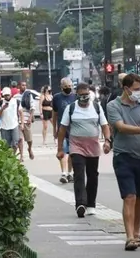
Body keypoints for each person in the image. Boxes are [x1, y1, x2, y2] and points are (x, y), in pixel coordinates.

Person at [106, 73, 140, 251]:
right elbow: (120, 127)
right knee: (129, 196)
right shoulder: (113, 106)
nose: (139, 92)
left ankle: (137, 232)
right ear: (126, 89)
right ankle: (129, 236)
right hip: (123, 157)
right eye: (136, 89)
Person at [58, 83, 111, 217]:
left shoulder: (96, 107)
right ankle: (80, 204)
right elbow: (63, 129)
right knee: (79, 174)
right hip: (76, 146)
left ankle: (91, 203)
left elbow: (104, 125)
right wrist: (60, 149)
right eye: (81, 95)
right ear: (77, 95)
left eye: (86, 95)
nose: (84, 97)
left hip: (93, 146)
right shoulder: (71, 108)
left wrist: (107, 141)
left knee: (93, 175)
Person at [52, 78, 77, 183]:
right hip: (62, 129)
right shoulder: (57, 98)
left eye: (70, 86)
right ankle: (63, 173)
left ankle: (70, 173)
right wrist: (54, 129)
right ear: (61, 87)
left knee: (72, 153)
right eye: (66, 87)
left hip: (74, 129)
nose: (68, 88)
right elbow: (54, 115)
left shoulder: (75, 97)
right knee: (62, 151)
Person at [0, 87, 22, 156]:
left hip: (14, 125)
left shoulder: (16, 101)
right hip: (4, 126)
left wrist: (21, 123)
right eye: (5, 95)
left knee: (15, 143)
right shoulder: (1, 102)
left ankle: (13, 156)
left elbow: (20, 112)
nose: (7, 97)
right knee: (6, 145)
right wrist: (2, 108)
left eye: (8, 95)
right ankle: (8, 157)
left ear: (11, 94)